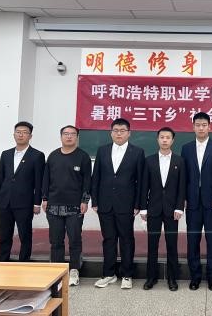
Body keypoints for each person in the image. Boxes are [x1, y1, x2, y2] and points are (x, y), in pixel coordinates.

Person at [91, 118, 145, 290]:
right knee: (108, 239)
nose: (119, 133)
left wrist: (138, 204)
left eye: (122, 130)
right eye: (116, 130)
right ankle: (109, 274)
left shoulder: (137, 152)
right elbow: (96, 177)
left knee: (126, 239)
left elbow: (140, 181)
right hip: (105, 203)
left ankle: (127, 275)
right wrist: (95, 200)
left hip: (126, 204)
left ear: (129, 133)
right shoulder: (102, 150)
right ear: (111, 133)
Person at [181, 112, 212, 291]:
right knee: (193, 240)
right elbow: (183, 177)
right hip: (192, 202)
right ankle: (195, 277)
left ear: (210, 127)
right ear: (193, 127)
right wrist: (183, 198)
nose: (201, 128)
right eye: (198, 125)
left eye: (204, 125)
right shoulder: (186, 148)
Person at [42, 125, 91, 287]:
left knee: (75, 239)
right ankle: (56, 272)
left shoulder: (83, 157)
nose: (69, 136)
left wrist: (85, 200)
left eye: (72, 134)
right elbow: (46, 179)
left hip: (75, 206)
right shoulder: (53, 156)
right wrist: (45, 198)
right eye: (66, 134)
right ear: (61, 136)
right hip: (53, 205)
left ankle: (74, 270)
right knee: (56, 241)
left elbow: (87, 181)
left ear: (77, 137)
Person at [140, 127, 186, 291]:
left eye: (168, 137)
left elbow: (182, 187)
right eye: (162, 137)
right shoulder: (149, 160)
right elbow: (144, 186)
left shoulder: (180, 161)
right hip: (153, 208)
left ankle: (172, 279)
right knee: (152, 244)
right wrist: (143, 208)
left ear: (173, 140)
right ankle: (151, 278)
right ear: (157, 139)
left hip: (172, 210)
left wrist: (179, 207)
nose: (165, 140)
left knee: (172, 245)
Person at [0, 121, 45, 261]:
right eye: (18, 132)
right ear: (14, 134)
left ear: (30, 136)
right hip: (5, 201)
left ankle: (24, 262)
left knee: (25, 235)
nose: (21, 135)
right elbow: (1, 178)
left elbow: (39, 181)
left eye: (24, 132)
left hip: (25, 202)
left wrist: (37, 203)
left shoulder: (37, 155)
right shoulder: (6, 154)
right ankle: (3, 261)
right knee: (4, 235)